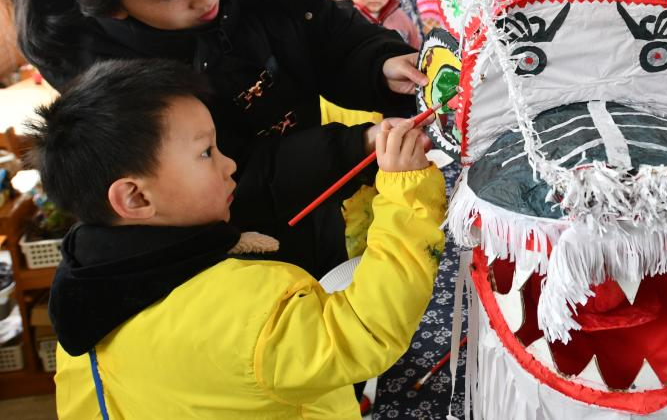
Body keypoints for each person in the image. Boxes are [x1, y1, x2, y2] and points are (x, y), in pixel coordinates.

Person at [5, 0, 427, 278]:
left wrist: (379, 63)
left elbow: (324, 31)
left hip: (314, 199)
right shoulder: (109, 81)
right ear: (116, 9)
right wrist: (354, 146)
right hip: (230, 251)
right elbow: (218, 174)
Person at [28, 59, 444, 419]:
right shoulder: (248, 309)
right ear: (135, 197)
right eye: (206, 153)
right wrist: (406, 193)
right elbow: (365, 330)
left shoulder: (84, 297)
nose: (229, 165)